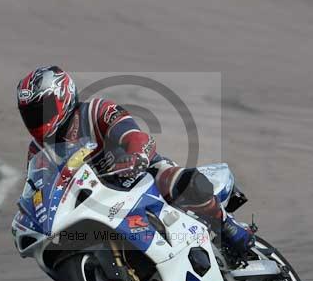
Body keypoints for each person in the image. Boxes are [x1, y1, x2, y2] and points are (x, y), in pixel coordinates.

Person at [16, 65, 255, 259]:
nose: (36, 119)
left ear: (63, 97)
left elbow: (132, 134)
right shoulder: (37, 150)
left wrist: (135, 154)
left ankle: (229, 229)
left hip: (137, 175)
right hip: (93, 202)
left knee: (179, 181)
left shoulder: (95, 111)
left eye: (42, 110)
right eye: (30, 114)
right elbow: (38, 187)